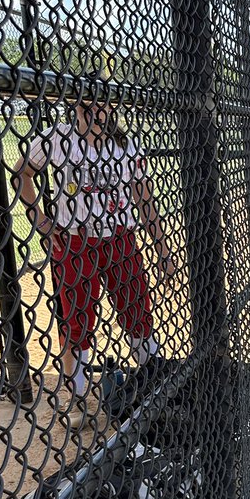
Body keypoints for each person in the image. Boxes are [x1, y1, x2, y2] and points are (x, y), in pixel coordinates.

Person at [12, 76, 176, 415]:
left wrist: (162, 250)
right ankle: (77, 396)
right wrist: (41, 220)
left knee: (137, 310)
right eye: (88, 103)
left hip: (120, 239)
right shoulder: (58, 137)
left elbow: (145, 202)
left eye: (103, 103)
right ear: (75, 104)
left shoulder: (126, 147)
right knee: (76, 320)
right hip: (75, 241)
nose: (96, 111)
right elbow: (20, 173)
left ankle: (154, 378)